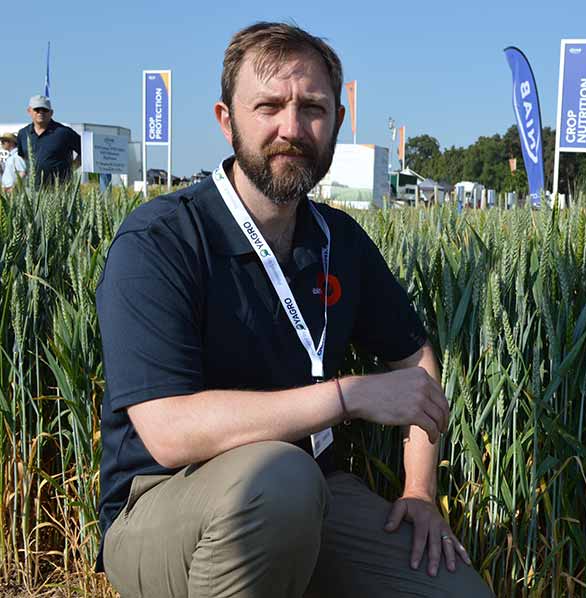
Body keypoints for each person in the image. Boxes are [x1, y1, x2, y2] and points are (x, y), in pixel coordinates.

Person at [95, 21, 493, 598]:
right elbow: (169, 432)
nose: (291, 127)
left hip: (313, 495)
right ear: (226, 120)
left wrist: (418, 492)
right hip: (162, 505)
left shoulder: (340, 242)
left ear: (336, 121)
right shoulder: (161, 240)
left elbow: (416, 358)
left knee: (455, 593)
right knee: (279, 479)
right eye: (269, 106)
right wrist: (349, 396)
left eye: (312, 107)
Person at [16, 95, 81, 187]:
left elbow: (85, 151)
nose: (40, 113)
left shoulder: (64, 132)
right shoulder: (23, 134)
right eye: (37, 110)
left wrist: (71, 169)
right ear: (29, 111)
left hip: (60, 190)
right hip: (33, 189)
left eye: (45, 110)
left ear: (51, 112)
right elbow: (23, 157)